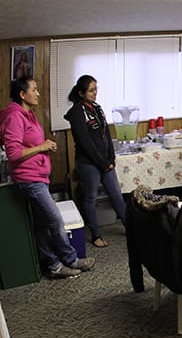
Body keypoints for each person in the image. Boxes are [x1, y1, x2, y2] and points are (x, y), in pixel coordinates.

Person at [0, 77, 95, 279]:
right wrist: (41, 147)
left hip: (38, 175)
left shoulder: (28, 114)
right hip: (29, 179)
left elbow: (28, 142)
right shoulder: (15, 117)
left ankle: (53, 265)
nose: (38, 93)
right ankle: (70, 260)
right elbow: (14, 153)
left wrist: (44, 145)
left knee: (43, 223)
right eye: (34, 89)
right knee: (54, 219)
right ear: (22, 94)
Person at [64, 74, 126, 247]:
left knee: (116, 195)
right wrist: (103, 163)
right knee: (90, 199)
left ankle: (131, 228)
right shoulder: (77, 113)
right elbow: (86, 143)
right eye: (91, 90)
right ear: (81, 93)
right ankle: (96, 235)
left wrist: (111, 158)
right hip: (88, 163)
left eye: (96, 89)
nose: (95, 93)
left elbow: (106, 134)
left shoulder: (97, 108)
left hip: (106, 161)